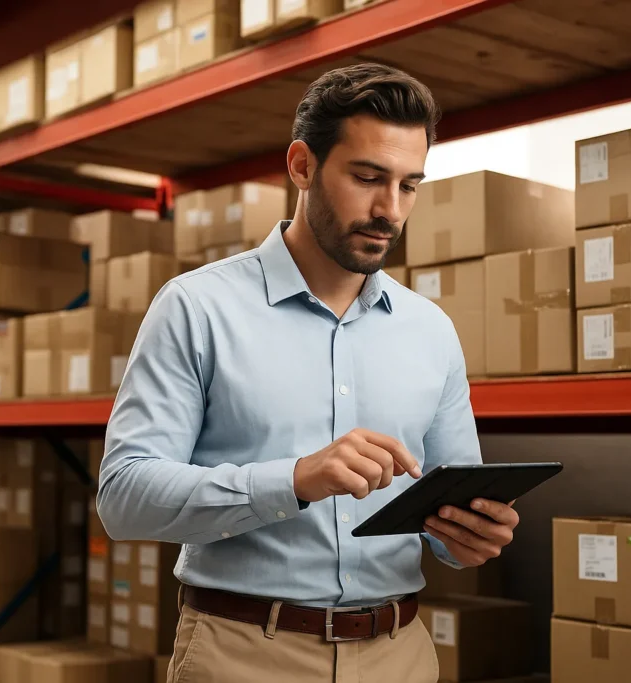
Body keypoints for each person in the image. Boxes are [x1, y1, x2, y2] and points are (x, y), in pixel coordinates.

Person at [97, 63, 519, 683]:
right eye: (367, 178)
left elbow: (450, 517)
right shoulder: (196, 308)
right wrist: (293, 479)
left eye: (409, 185)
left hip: (399, 654)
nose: (389, 209)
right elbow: (124, 499)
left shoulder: (431, 331)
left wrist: (470, 537)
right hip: (243, 655)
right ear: (301, 165)